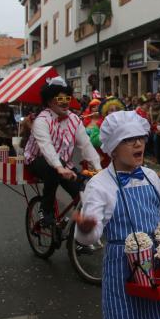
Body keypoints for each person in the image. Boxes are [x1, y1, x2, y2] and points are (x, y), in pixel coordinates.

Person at [74, 111, 160, 319]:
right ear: (113, 148)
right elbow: (90, 237)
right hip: (123, 272)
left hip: (157, 267)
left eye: (140, 137)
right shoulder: (100, 186)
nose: (138, 143)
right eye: (129, 139)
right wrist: (87, 229)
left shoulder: (151, 176)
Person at [24, 76, 102, 227]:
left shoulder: (74, 119)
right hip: (37, 160)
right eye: (60, 99)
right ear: (49, 101)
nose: (65, 102)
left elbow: (86, 145)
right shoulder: (42, 121)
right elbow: (47, 148)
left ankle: (75, 233)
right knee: (53, 170)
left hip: (64, 164)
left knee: (83, 190)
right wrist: (59, 167)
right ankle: (45, 211)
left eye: (67, 97)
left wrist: (98, 168)